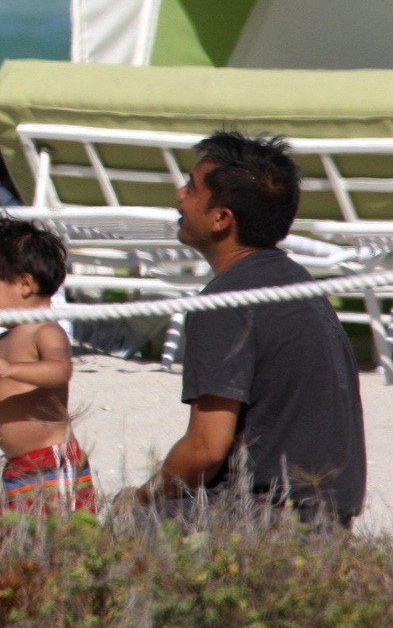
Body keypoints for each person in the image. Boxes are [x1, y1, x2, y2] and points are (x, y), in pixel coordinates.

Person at [119, 131, 366, 525]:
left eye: (192, 188)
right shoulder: (298, 284)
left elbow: (205, 449)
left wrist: (142, 497)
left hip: (266, 519)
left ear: (221, 219)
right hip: (329, 517)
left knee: (122, 523)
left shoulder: (226, 303)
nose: (179, 195)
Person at [0, 217, 97, 517]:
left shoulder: (46, 332)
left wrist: (10, 368)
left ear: (24, 284)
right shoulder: (1, 341)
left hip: (52, 459)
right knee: (19, 541)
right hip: (17, 465)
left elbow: (59, 371)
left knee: (64, 536)